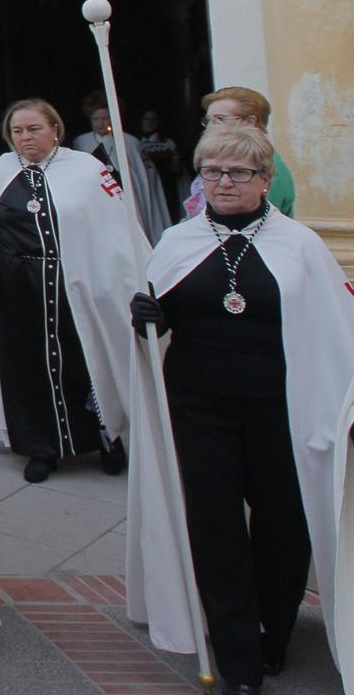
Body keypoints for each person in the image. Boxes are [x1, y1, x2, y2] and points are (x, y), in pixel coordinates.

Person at [126, 125, 354, 694]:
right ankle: (237, 657)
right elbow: (160, 325)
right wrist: (148, 319)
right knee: (215, 527)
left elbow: (332, 330)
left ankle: (273, 633)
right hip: (199, 409)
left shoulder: (300, 245)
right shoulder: (176, 243)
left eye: (240, 173)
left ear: (265, 180)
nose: (225, 182)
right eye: (212, 172)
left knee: (283, 525)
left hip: (281, 408)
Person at [0, 98, 145, 483]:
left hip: (78, 283)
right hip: (17, 288)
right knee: (28, 368)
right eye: (17, 131)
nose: (25, 137)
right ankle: (41, 447)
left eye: (33, 129)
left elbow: (116, 229)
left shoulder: (87, 170)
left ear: (55, 129)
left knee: (86, 360)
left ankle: (106, 437)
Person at [183, 86, 297, 220]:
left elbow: (258, 224)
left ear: (250, 122)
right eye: (209, 120)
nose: (211, 127)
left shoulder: (267, 166)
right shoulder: (214, 160)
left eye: (220, 119)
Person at [75, 93, 170, 238]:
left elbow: (144, 178)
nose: (101, 123)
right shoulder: (81, 142)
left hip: (125, 199)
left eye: (105, 118)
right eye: (96, 119)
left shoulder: (129, 141)